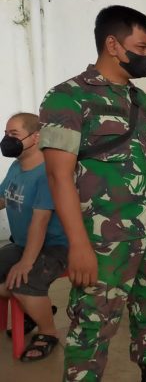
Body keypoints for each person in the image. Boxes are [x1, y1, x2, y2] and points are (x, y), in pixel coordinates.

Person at [38, 5, 146, 382]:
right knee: (92, 325)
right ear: (113, 45)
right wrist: (78, 245)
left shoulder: (144, 103)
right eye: (142, 47)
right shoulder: (66, 99)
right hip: (104, 243)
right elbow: (58, 176)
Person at [0, 113, 68, 361]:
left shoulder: (46, 173)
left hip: (55, 247)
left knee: (21, 283)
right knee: (11, 283)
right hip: (22, 243)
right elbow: (3, 197)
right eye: (5, 134)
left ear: (36, 137)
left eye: (14, 135)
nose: (7, 140)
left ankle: (48, 331)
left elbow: (40, 222)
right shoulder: (17, 166)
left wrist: (26, 263)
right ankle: (34, 309)